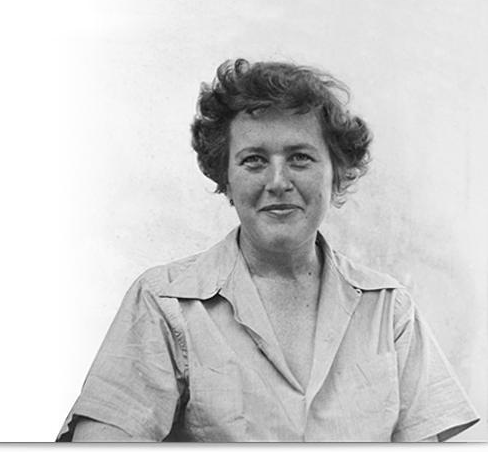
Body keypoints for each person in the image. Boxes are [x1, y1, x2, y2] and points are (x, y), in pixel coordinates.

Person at [57, 59, 480, 442]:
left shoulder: (389, 311)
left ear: (336, 173)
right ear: (225, 178)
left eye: (300, 158)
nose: (277, 181)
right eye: (254, 160)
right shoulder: (164, 301)